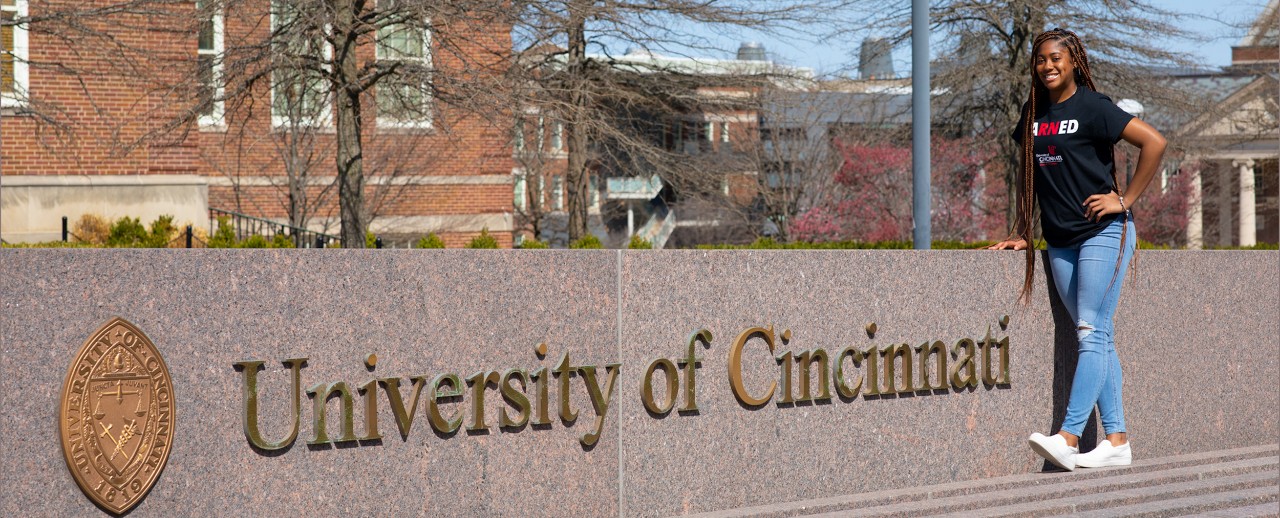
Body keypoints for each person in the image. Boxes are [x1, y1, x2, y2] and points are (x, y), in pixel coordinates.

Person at [987, 28, 1166, 471]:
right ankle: (1117, 440)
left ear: (1073, 62)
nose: (1047, 66)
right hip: (1061, 241)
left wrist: (1123, 201)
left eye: (1055, 59)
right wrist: (1024, 230)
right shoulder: (1034, 112)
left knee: (1090, 330)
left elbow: (1154, 142)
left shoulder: (1093, 106)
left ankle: (1068, 437)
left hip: (1103, 233)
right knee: (1097, 335)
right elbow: (1029, 174)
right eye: (1040, 61)